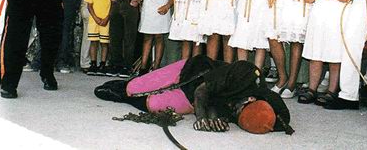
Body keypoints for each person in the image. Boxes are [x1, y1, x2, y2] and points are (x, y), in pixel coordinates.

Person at [94, 55, 292, 135]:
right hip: (191, 73)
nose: (233, 110)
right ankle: (124, 89)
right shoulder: (244, 72)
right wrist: (202, 119)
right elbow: (202, 91)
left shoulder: (259, 103)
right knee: (133, 88)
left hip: (192, 98)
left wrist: (216, 120)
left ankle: (123, 98)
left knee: (153, 104)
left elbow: (284, 119)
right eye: (237, 109)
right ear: (250, 99)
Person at [299, 0, 356, 105]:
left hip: (335, 25)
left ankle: (332, 90)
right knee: (315, 56)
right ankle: (312, 88)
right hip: (318, 24)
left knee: (334, 57)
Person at [85, 0, 113, 76]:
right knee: (94, 42)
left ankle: (102, 64)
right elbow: (89, 5)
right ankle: (93, 64)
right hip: (94, 20)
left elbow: (113, 5)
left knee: (104, 43)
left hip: (106, 21)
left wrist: (106, 18)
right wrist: (96, 18)